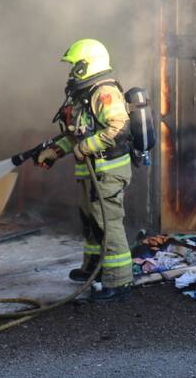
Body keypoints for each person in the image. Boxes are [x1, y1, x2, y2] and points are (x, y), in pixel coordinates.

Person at [34, 39, 134, 302]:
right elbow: (79, 135)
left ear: (87, 65)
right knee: (91, 222)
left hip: (107, 171)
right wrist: (54, 152)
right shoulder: (85, 94)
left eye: (74, 66)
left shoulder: (104, 93)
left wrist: (85, 147)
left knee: (108, 223)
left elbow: (118, 128)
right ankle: (94, 269)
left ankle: (119, 280)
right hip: (92, 173)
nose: (71, 72)